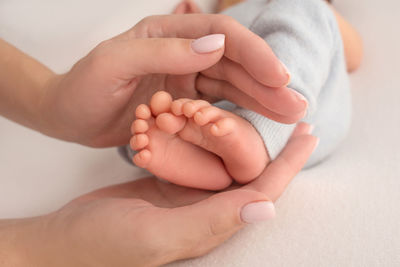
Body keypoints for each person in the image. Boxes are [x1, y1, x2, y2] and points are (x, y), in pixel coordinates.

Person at [0, 13, 317, 266]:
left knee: (298, 18)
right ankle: (209, 159)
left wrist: (47, 99)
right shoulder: (225, 16)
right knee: (168, 115)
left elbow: (349, 47)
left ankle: (250, 137)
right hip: (213, 106)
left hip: (287, 106)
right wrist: (38, 244)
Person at [126, 0, 363, 190]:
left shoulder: (303, 9)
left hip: (295, 115)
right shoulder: (222, 15)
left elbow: (353, 54)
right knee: (160, 93)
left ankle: (257, 133)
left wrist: (320, 7)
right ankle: (201, 161)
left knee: (306, 11)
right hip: (213, 114)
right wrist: (183, 23)